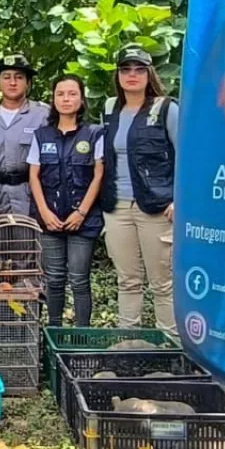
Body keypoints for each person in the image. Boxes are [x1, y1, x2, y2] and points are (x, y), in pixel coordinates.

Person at [100, 46, 178, 334]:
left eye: (139, 69)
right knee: (127, 280)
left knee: (162, 282)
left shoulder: (166, 108)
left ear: (149, 74)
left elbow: (187, 156)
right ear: (118, 75)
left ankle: (170, 343)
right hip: (117, 207)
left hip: (156, 207)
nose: (132, 75)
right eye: (125, 69)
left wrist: (179, 200)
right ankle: (128, 341)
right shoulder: (110, 108)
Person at [28, 74, 104, 327]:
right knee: (54, 279)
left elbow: (99, 175)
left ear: (82, 99)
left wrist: (81, 213)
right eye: (60, 94)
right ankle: (54, 332)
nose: (66, 99)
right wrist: (44, 213)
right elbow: (34, 176)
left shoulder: (94, 134)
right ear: (53, 99)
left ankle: (82, 336)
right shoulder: (42, 135)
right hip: (49, 220)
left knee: (79, 280)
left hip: (84, 221)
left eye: (72, 94)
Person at [0, 54, 51, 217]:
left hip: (30, 196)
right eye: (6, 77)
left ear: (28, 83)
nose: (12, 82)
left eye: (19, 77)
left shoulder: (43, 115)